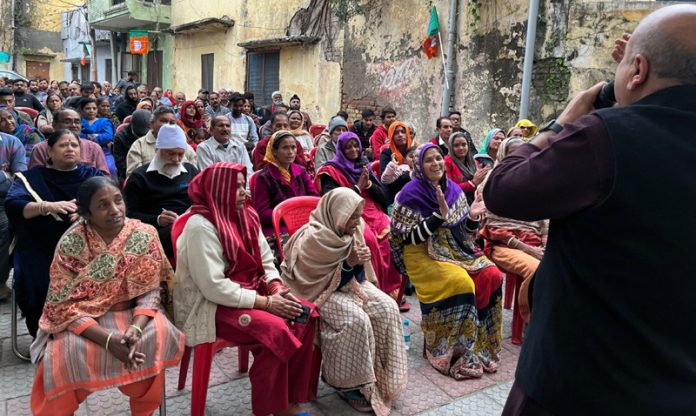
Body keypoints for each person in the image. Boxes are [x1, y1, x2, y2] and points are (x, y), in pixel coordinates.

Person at [486, 6, 696, 414]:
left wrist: (566, 119)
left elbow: (503, 188)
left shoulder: (607, 140)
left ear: (637, 71)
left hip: (577, 384)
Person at [29, 176, 184, 416]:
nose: (115, 211)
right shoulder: (72, 243)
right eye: (102, 205)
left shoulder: (144, 234)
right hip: (83, 321)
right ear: (87, 213)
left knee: (158, 334)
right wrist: (109, 341)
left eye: (118, 201)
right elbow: (63, 306)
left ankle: (145, 410)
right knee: (64, 352)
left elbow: (153, 289)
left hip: (136, 314)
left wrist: (136, 329)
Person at [174, 162, 319, 416]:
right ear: (218, 189)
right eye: (236, 187)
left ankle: (290, 397)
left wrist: (275, 288)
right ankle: (273, 407)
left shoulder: (246, 214)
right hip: (212, 305)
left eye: (243, 185)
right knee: (275, 330)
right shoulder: (200, 227)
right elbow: (213, 287)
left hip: (253, 290)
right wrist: (267, 304)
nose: (244, 192)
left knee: (305, 315)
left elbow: (266, 259)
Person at [281, 188, 407, 415]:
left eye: (359, 214)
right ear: (338, 214)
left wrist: (357, 263)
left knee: (387, 307)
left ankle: (381, 376)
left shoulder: (352, 229)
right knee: (355, 320)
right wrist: (349, 263)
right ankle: (348, 386)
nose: (358, 220)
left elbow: (359, 276)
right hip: (319, 293)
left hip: (348, 285)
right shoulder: (315, 239)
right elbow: (311, 284)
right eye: (352, 215)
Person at [390, 143, 502, 380]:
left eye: (439, 158)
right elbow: (406, 238)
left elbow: (464, 232)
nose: (436, 164)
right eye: (429, 160)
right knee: (461, 283)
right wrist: (437, 216)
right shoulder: (410, 193)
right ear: (420, 166)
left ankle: (479, 340)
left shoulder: (453, 190)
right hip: (420, 252)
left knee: (492, 274)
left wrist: (472, 216)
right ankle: (448, 349)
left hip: (455, 249)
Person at [6, 130, 103, 337]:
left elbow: (114, 204)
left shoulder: (93, 176)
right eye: (63, 145)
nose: (70, 149)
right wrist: (45, 206)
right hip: (40, 247)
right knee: (36, 276)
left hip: (88, 247)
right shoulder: (31, 178)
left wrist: (87, 213)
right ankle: (46, 334)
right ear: (49, 151)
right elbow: (14, 205)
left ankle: (89, 331)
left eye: (74, 145)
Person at [316, 132, 402, 298]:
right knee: (368, 240)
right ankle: (372, 287)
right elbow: (333, 202)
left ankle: (391, 289)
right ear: (340, 149)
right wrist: (357, 187)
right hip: (348, 215)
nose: (354, 150)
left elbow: (383, 198)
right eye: (348, 147)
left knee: (392, 233)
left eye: (356, 145)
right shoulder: (331, 171)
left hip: (372, 210)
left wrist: (368, 184)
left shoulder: (364, 166)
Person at [479, 137, 545, 323]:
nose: (519, 158)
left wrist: (545, 244)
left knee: (561, 266)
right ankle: (530, 319)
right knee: (536, 268)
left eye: (523, 153)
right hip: (503, 245)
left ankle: (549, 318)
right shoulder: (493, 181)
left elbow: (544, 221)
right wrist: (530, 249)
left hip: (534, 241)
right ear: (504, 156)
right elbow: (494, 228)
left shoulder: (535, 182)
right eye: (512, 153)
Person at [124, 124, 199, 259]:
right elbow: (129, 214)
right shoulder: (139, 177)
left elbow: (202, 199)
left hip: (191, 224)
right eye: (170, 153)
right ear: (158, 149)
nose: (176, 160)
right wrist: (157, 219)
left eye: (180, 154)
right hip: (156, 231)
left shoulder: (191, 171)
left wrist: (191, 211)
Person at [251, 130, 317, 251]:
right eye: (285, 148)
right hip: (278, 227)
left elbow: (314, 198)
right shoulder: (264, 177)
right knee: (296, 249)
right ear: (274, 152)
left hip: (303, 222)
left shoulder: (301, 171)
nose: (290, 152)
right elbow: (263, 212)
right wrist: (288, 215)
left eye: (293, 147)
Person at [29, 109, 109, 175]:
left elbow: (104, 178)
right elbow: (35, 177)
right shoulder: (41, 148)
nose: (73, 125)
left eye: (77, 122)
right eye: (67, 122)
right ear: (54, 125)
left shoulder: (93, 147)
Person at [126, 107, 197, 177]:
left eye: (172, 123)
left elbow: (193, 177)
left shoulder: (185, 147)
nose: (168, 125)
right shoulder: (139, 146)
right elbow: (133, 176)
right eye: (164, 121)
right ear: (152, 123)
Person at [0, 130, 27, 300]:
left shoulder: (11, 142)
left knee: (7, 230)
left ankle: (0, 280)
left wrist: (8, 176)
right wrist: (3, 174)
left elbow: (19, 175)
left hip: (3, 200)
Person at [445, 131, 489, 204]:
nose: (461, 148)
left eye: (464, 144)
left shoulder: (473, 162)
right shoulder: (447, 162)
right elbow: (449, 189)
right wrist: (472, 183)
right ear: (450, 147)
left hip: (475, 202)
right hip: (457, 205)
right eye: (456, 145)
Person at [78, 98, 116, 176]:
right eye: (88, 108)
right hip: (83, 152)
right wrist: (97, 135)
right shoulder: (78, 122)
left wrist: (86, 136)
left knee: (110, 169)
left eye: (94, 108)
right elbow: (77, 135)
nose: (91, 111)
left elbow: (107, 137)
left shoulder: (104, 121)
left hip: (104, 153)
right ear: (82, 110)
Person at [113, 109, 151, 184]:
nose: (141, 139)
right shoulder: (120, 137)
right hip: (129, 172)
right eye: (139, 135)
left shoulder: (153, 134)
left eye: (144, 135)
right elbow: (120, 163)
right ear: (131, 126)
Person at [379, 121, 413, 204]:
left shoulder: (413, 152)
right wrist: (410, 175)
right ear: (391, 136)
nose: (400, 135)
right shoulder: (387, 153)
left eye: (403, 132)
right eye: (396, 133)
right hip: (392, 194)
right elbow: (387, 180)